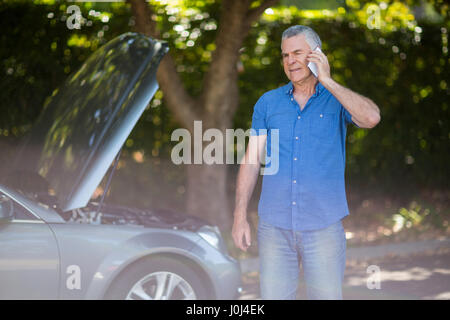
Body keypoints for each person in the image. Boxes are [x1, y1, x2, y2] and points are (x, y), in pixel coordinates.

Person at [232, 25, 381, 300]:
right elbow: (251, 161)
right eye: (285, 55)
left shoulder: (337, 101)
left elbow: (371, 118)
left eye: (297, 53)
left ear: (316, 55)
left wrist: (328, 81)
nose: (290, 61)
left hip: (323, 226)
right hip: (274, 228)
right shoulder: (268, 103)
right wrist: (240, 217)